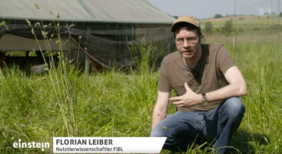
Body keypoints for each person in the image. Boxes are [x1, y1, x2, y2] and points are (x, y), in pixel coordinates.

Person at [150, 16, 247, 154]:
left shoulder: (217, 52)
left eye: (191, 39)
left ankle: (219, 149)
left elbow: (240, 86)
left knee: (235, 105)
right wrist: (151, 147)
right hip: (185, 116)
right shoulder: (168, 62)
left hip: (215, 115)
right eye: (180, 40)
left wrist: (201, 98)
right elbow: (161, 106)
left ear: (200, 37)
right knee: (157, 135)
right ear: (175, 41)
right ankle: (195, 144)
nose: (186, 45)